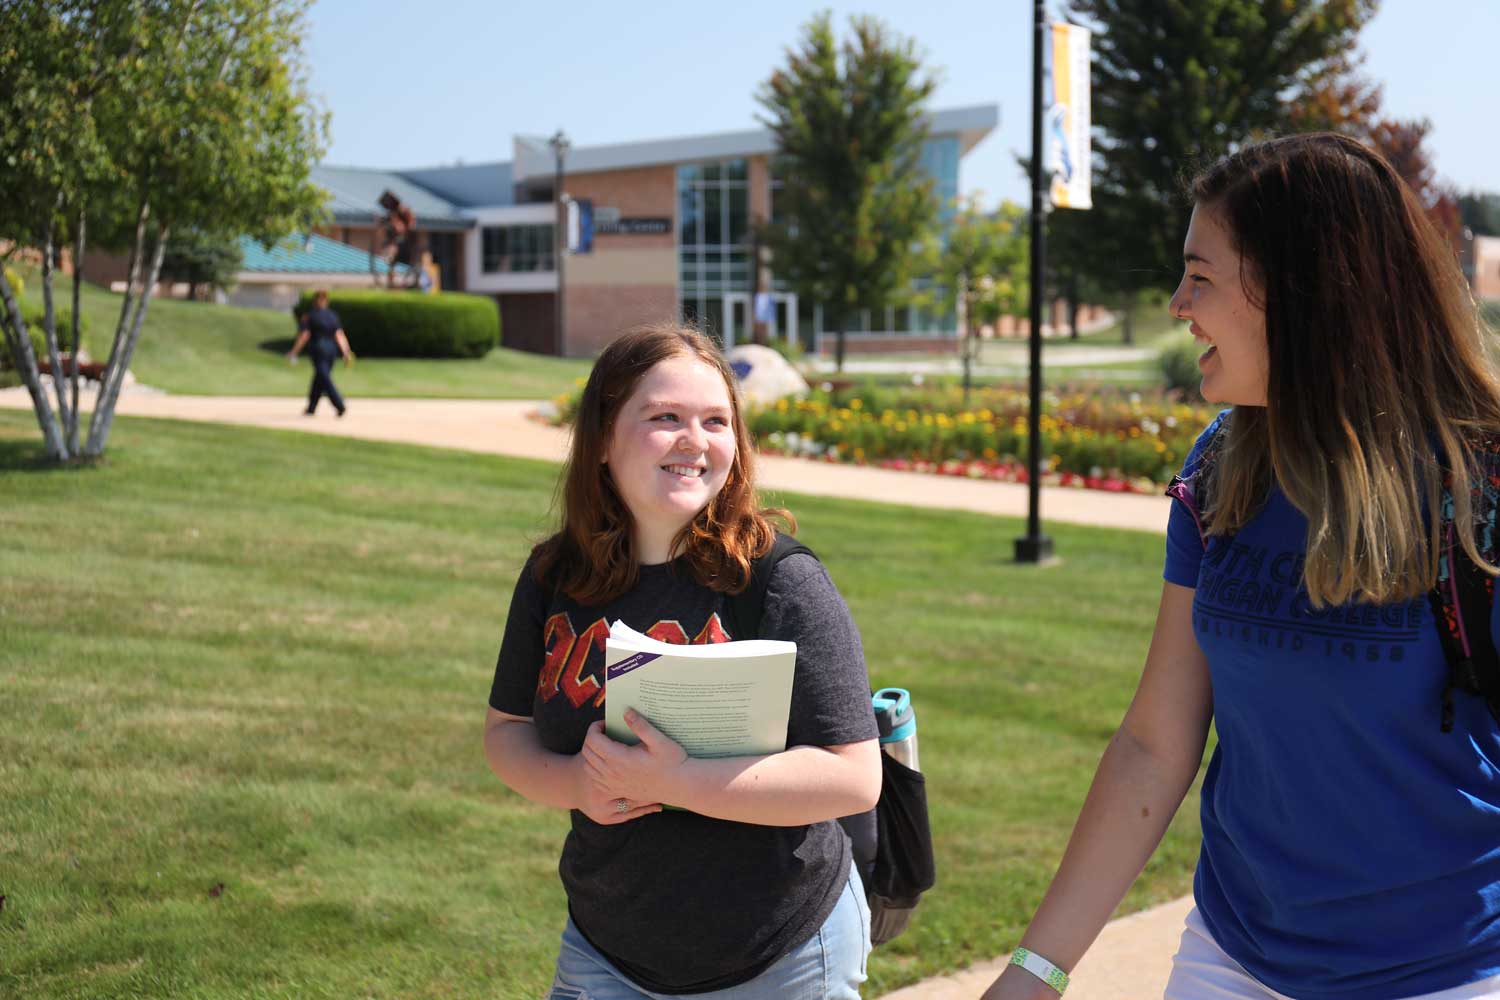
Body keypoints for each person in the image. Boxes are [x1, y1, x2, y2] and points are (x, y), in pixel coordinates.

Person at [984, 132, 1500, 1000]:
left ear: (1302, 293)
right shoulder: (1223, 467)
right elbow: (1156, 742)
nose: (1180, 302)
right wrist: (1034, 974)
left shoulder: (1478, 480)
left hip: (1448, 974)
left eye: (1202, 274)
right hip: (1234, 962)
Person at [484, 322, 881, 999]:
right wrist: (579, 786)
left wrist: (678, 780)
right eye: (664, 417)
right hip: (605, 944)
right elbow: (506, 733)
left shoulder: (779, 580)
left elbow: (853, 779)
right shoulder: (555, 575)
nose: (695, 440)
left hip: (778, 952)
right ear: (604, 439)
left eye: (716, 421)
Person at [286, 289, 353, 417]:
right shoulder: (332, 315)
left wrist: (294, 352)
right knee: (320, 377)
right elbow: (339, 335)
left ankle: (339, 404)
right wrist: (346, 352)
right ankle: (311, 408)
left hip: (319, 349)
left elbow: (304, 335)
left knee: (324, 377)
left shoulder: (309, 316)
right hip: (331, 351)